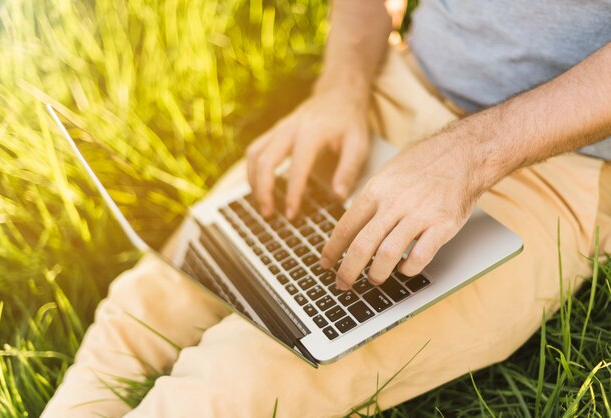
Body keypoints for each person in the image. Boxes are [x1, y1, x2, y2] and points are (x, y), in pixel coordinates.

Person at [43, 0, 611, 416]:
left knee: (235, 382)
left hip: (557, 162)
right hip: (392, 85)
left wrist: (470, 155)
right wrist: (341, 86)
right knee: (150, 301)